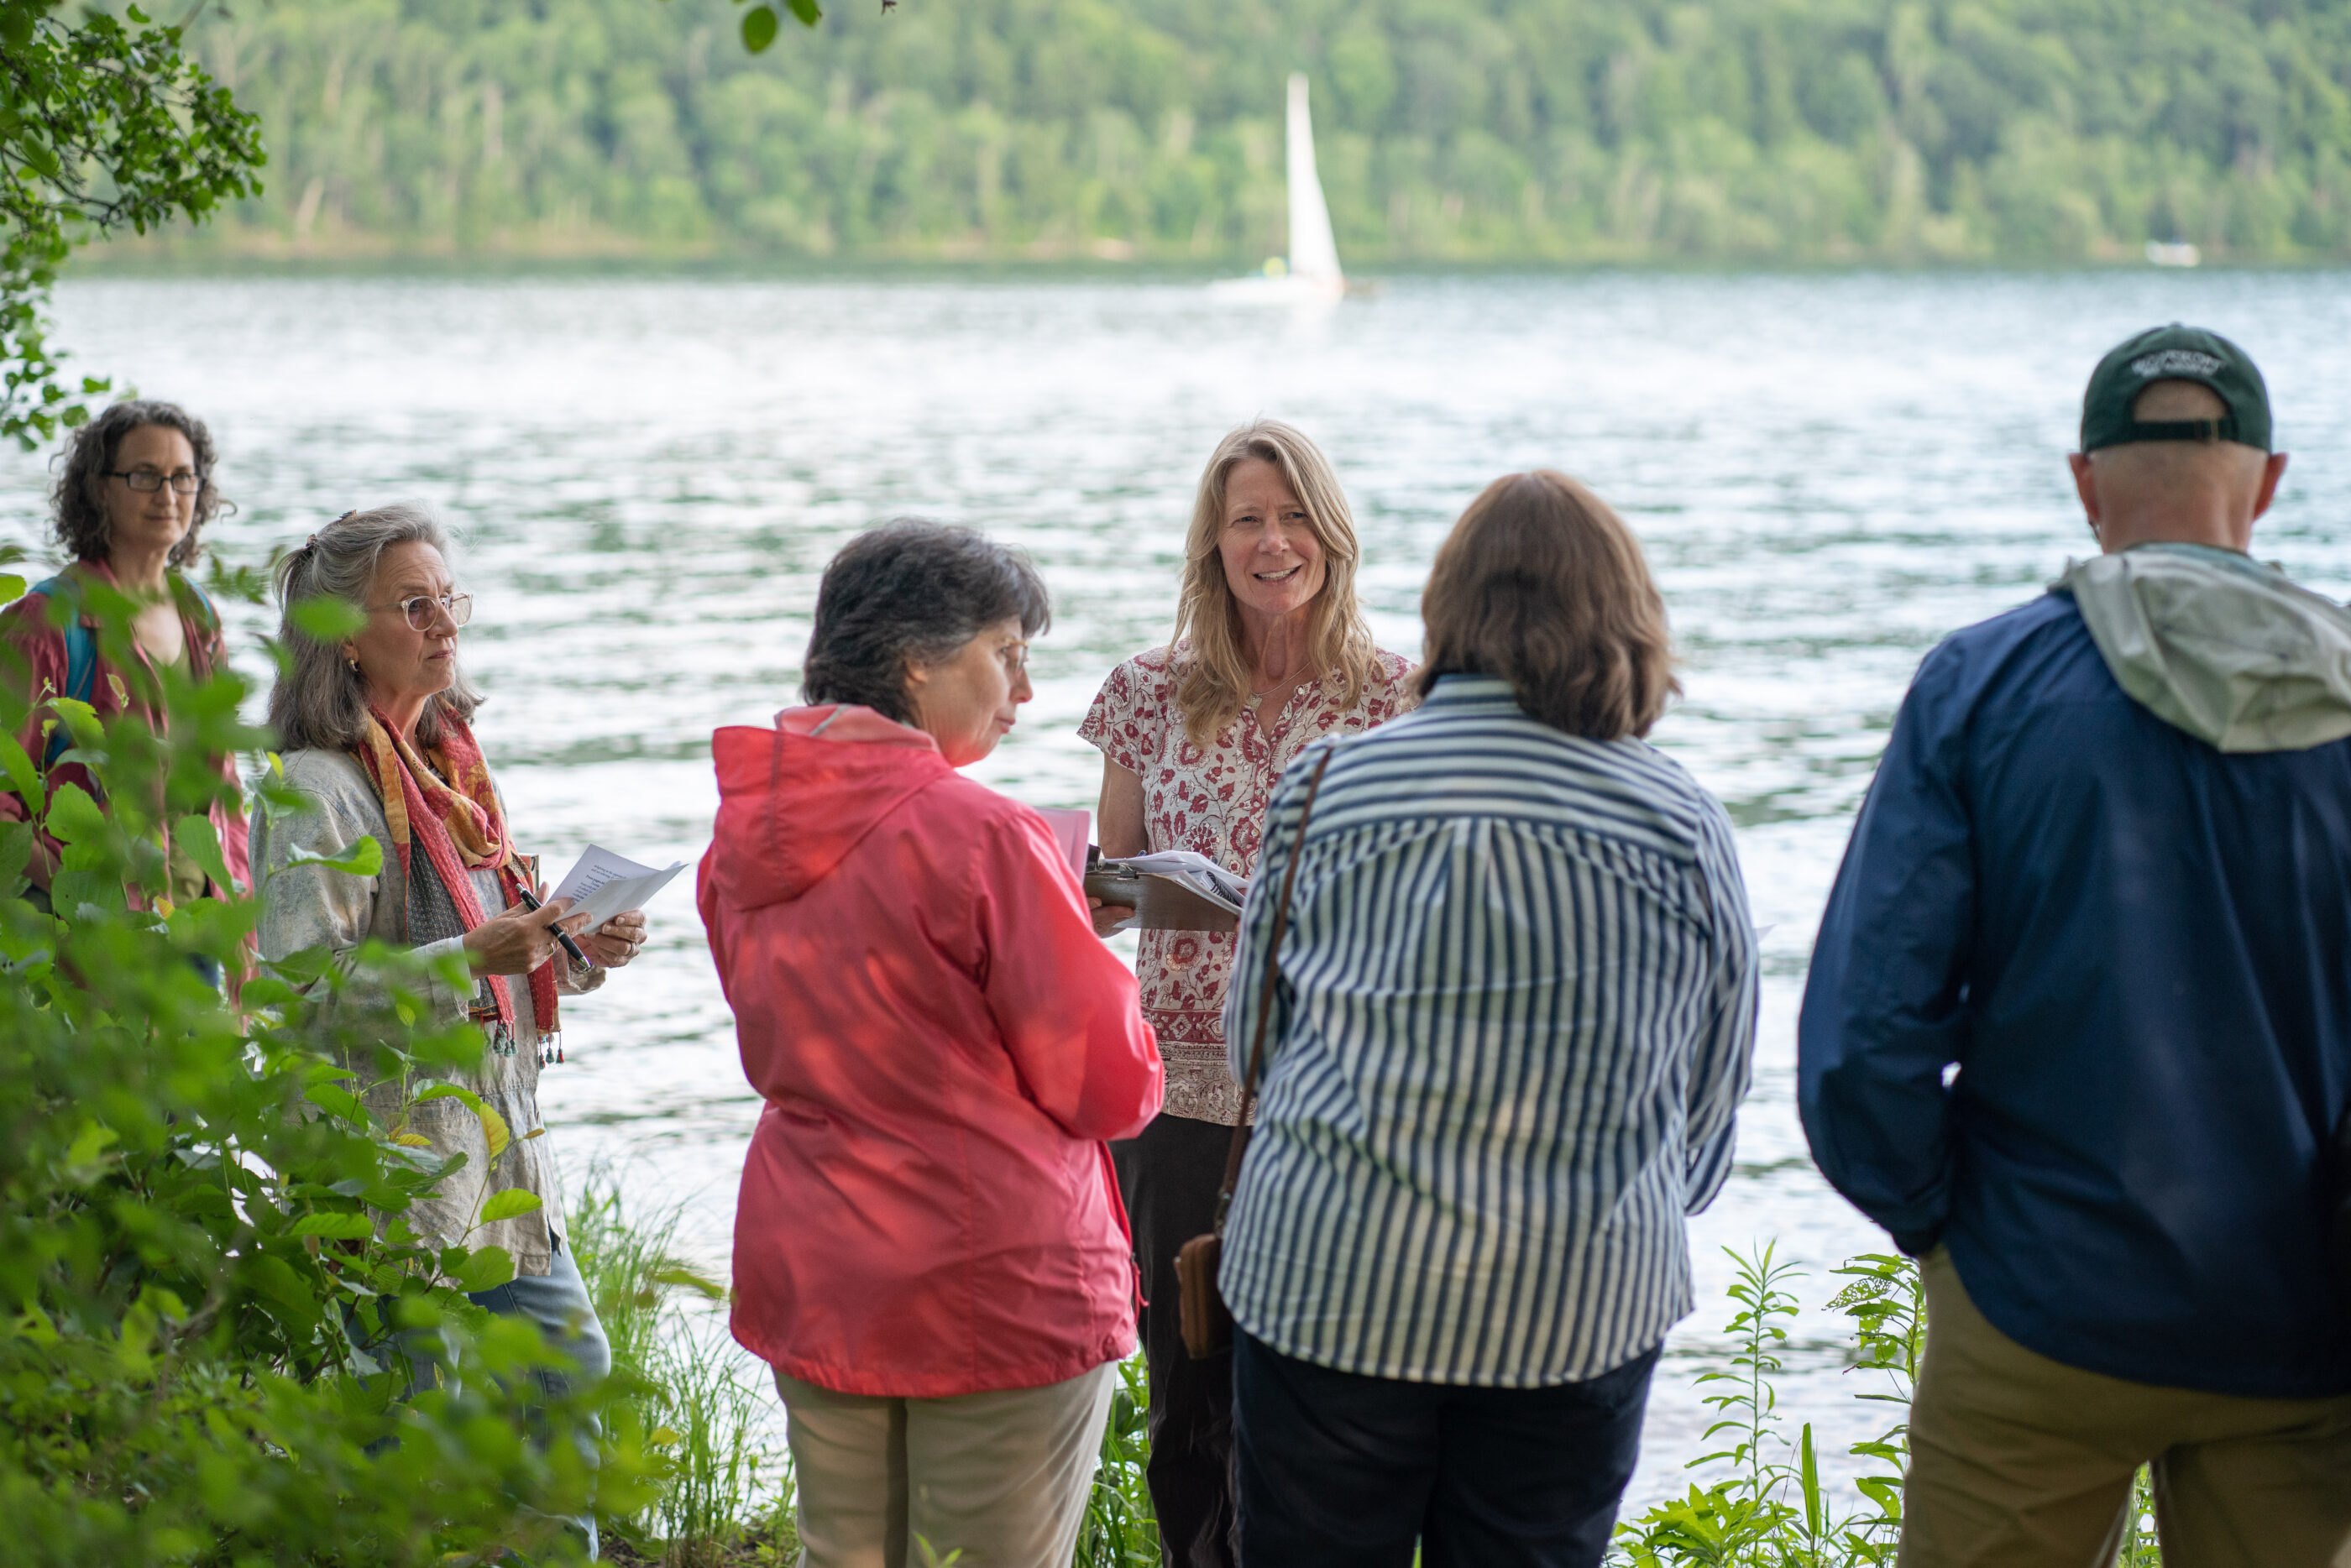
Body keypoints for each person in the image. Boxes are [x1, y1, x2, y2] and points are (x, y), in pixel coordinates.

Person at [1798, 325, 2351, 1566]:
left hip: (2037, 1306)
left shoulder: (1979, 688)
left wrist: (1946, 1229)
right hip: (2301, 1321)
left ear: (2085, 482)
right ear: (2266, 483)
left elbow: (1863, 1040)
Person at [1220, 470, 1759, 1568]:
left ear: (1446, 609)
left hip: (1331, 1282)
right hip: (1580, 1299)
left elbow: (1255, 1051)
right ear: (1625, 617)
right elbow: (1709, 1097)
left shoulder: (1327, 788)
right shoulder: (1680, 821)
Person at [699, 519, 1163, 1568]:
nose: (1024, 689)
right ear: (917, 661)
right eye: (1005, 652)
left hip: (820, 1259)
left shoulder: (739, 835)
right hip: (995, 1277)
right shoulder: (985, 834)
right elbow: (1106, 1084)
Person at [250, 504, 648, 1558]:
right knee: (404, 1441)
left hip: (502, 1164)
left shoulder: (455, 770)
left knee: (567, 1380)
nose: (444, 623)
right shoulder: (314, 790)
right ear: (343, 630)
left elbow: (500, 954)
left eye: (448, 599)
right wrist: (475, 958)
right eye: (413, 603)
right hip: (395, 1177)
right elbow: (305, 1000)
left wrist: (576, 949)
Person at [1076, 418, 1416, 1566]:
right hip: (1174, 1098)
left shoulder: (1399, 698)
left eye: (1292, 517)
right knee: (1187, 1395)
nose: (1273, 543)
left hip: (1336, 1099)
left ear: (1332, 534)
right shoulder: (1146, 691)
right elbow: (1106, 887)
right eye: (1246, 521)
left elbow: (1426, 905)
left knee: (1329, 1394)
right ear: (1212, 546)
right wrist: (1126, 892)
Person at [1, 400, 250, 963]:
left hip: (198, 941)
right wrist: (84, 890)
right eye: (144, 476)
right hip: (85, 951)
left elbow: (225, 791)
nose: (167, 496)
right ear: (99, 488)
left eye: (183, 477)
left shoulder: (199, 615)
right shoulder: (48, 622)